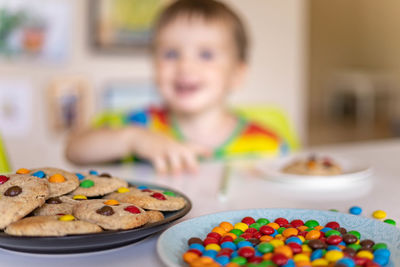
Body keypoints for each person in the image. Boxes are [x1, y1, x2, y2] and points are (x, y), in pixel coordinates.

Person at [66, 0, 289, 174]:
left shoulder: (266, 143)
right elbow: (73, 149)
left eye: (206, 54)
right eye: (171, 54)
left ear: (237, 75)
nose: (185, 66)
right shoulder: (141, 125)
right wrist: (133, 140)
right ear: (154, 64)